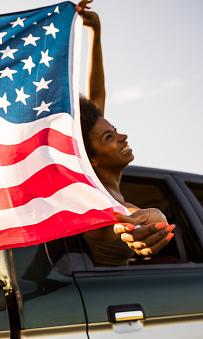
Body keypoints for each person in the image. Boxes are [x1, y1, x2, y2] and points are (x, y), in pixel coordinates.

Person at [76, 0, 175, 266]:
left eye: (115, 131)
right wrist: (153, 219)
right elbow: (126, 217)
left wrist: (95, 32)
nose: (123, 137)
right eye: (109, 137)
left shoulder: (108, 189)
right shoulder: (97, 198)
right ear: (91, 158)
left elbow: (96, 102)